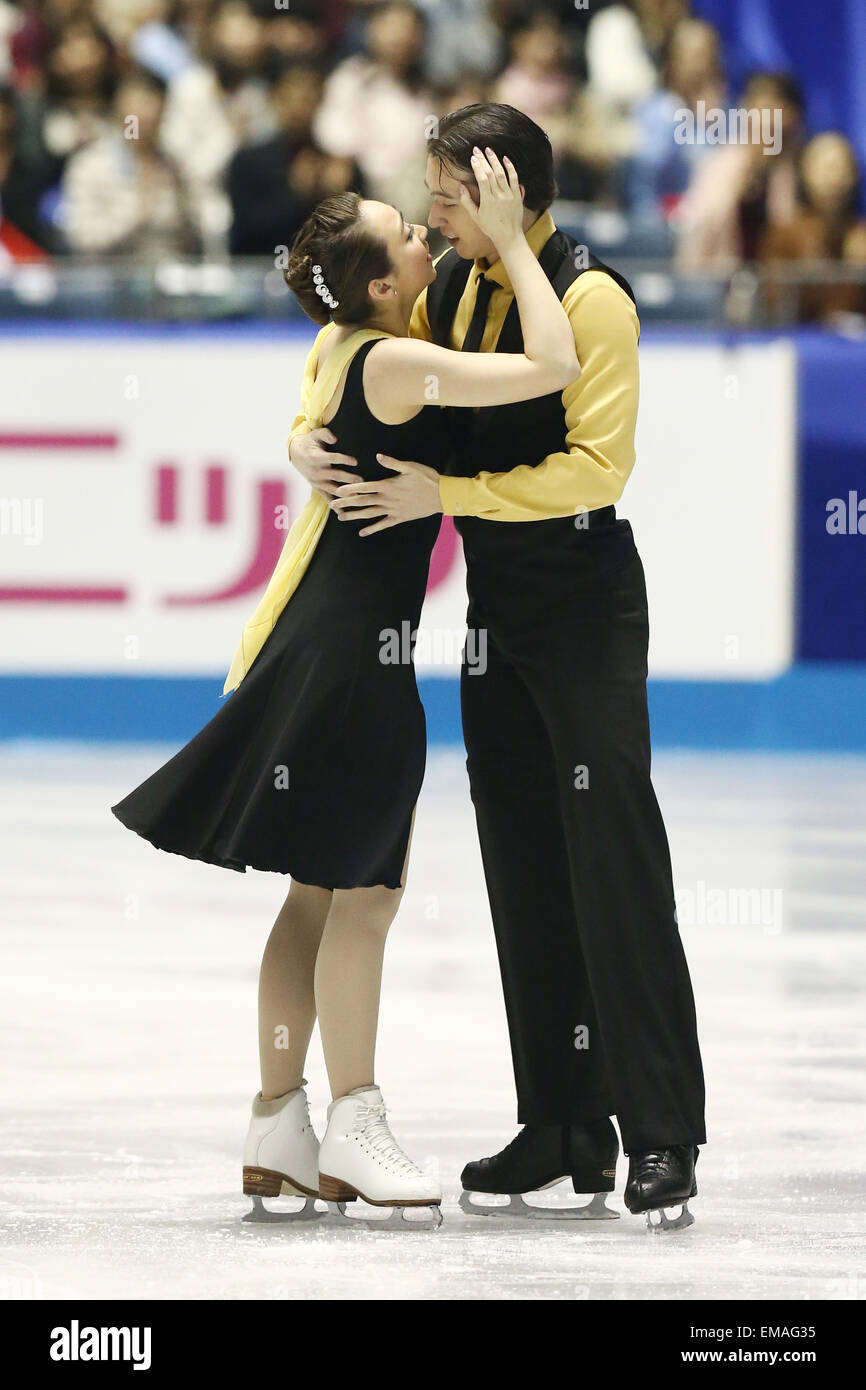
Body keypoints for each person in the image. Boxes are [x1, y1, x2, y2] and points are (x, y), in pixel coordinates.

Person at [111, 149, 579, 1223]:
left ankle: (280, 1119)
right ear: (380, 286)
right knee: (366, 896)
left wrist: (294, 441)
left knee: (315, 895)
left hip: (312, 643)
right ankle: (354, 1125)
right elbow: (553, 362)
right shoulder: (394, 363)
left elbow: (318, 420)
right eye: (404, 233)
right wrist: (512, 238)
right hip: (350, 662)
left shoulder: (339, 345)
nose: (422, 228)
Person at [290, 103, 707, 1228]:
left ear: (505, 190)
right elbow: (352, 348)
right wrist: (299, 435)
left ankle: (662, 1131)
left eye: (447, 197)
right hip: (494, 616)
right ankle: (565, 1120)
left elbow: (593, 470)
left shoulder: (591, 300)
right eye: (427, 198)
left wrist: (451, 495)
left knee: (612, 860)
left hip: (584, 613)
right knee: (521, 861)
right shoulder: (453, 290)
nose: (431, 217)